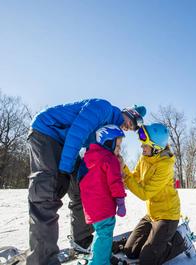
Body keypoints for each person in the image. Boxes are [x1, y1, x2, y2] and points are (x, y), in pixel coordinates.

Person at [27, 98, 146, 265]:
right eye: (131, 122)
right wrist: (64, 170)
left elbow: (94, 156)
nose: (130, 127)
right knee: (47, 195)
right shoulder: (103, 108)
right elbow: (77, 133)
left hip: (67, 145)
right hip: (47, 132)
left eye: (134, 128)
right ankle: (42, 260)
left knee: (82, 189)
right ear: (127, 113)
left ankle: (82, 239)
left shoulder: (108, 131)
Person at [120, 123, 196, 265]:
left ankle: (180, 239)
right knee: (130, 251)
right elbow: (135, 177)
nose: (142, 148)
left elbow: (145, 193)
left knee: (147, 260)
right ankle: (155, 238)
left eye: (145, 145)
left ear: (156, 148)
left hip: (167, 217)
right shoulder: (145, 158)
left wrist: (125, 174)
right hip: (152, 215)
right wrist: (123, 168)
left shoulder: (165, 165)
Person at [79, 124, 127, 265]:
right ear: (108, 142)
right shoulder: (109, 158)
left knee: (100, 233)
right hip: (103, 206)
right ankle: (99, 262)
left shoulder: (88, 157)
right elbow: (115, 182)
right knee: (105, 234)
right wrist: (120, 202)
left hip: (90, 207)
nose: (118, 150)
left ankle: (96, 258)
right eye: (117, 146)